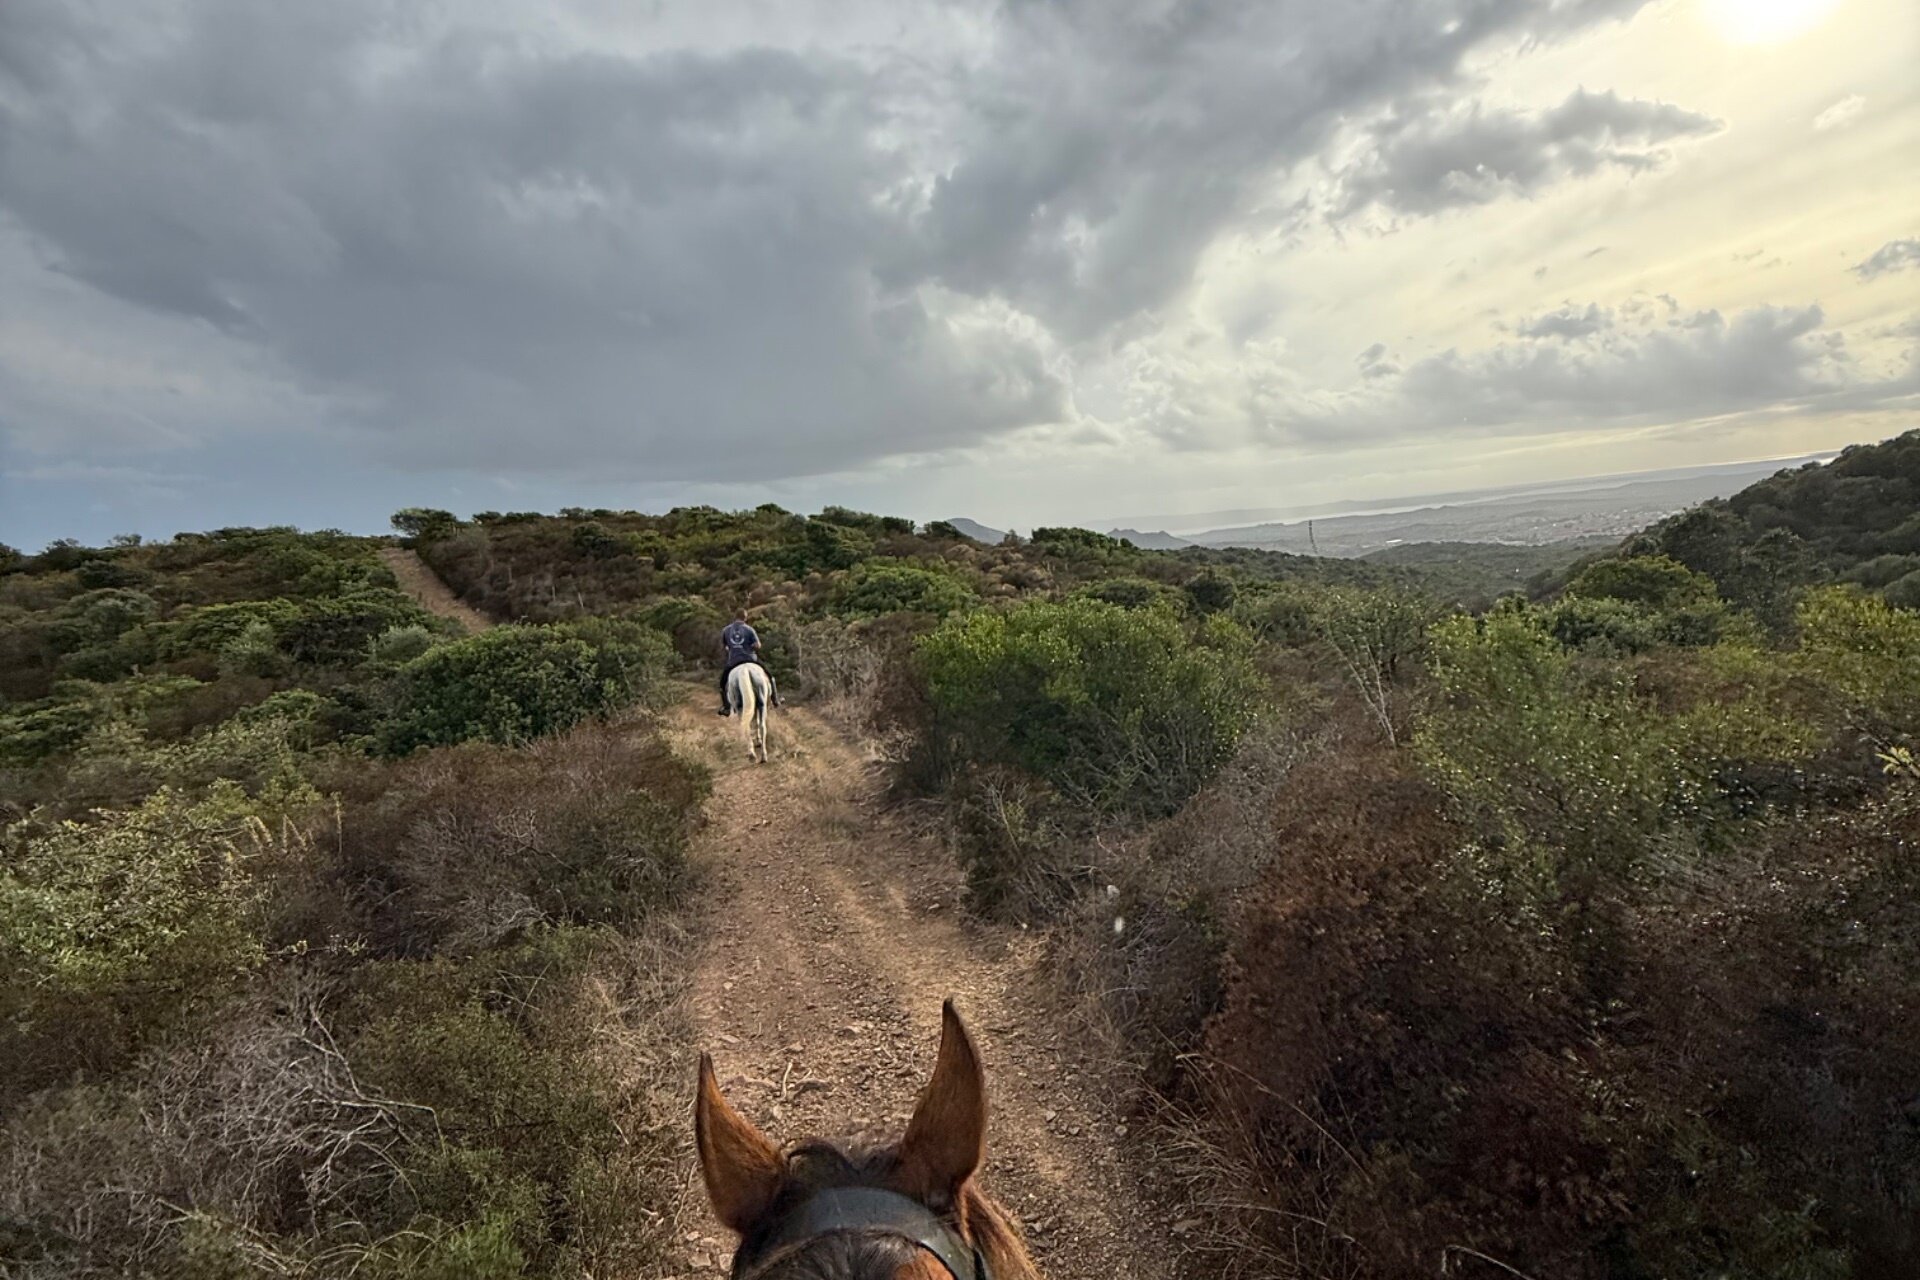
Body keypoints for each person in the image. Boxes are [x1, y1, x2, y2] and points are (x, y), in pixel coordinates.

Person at [717, 610, 760, 715]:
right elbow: (758, 645)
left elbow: (723, 647)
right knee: (769, 675)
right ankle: (775, 699)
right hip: (750, 659)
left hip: (734, 661)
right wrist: (750, 646)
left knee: (722, 684)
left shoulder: (726, 630)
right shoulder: (750, 629)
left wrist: (732, 648)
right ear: (745, 618)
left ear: (735, 617)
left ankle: (726, 707)